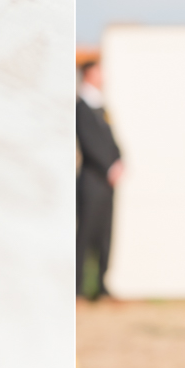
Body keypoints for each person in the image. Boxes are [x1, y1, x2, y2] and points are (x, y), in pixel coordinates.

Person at [76, 58, 123, 301]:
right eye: (99, 72)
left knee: (105, 235)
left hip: (108, 182)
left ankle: (102, 288)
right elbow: (89, 143)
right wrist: (107, 167)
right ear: (88, 75)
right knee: (85, 235)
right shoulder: (80, 107)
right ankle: (78, 290)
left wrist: (119, 161)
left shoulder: (101, 107)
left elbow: (111, 139)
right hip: (91, 181)